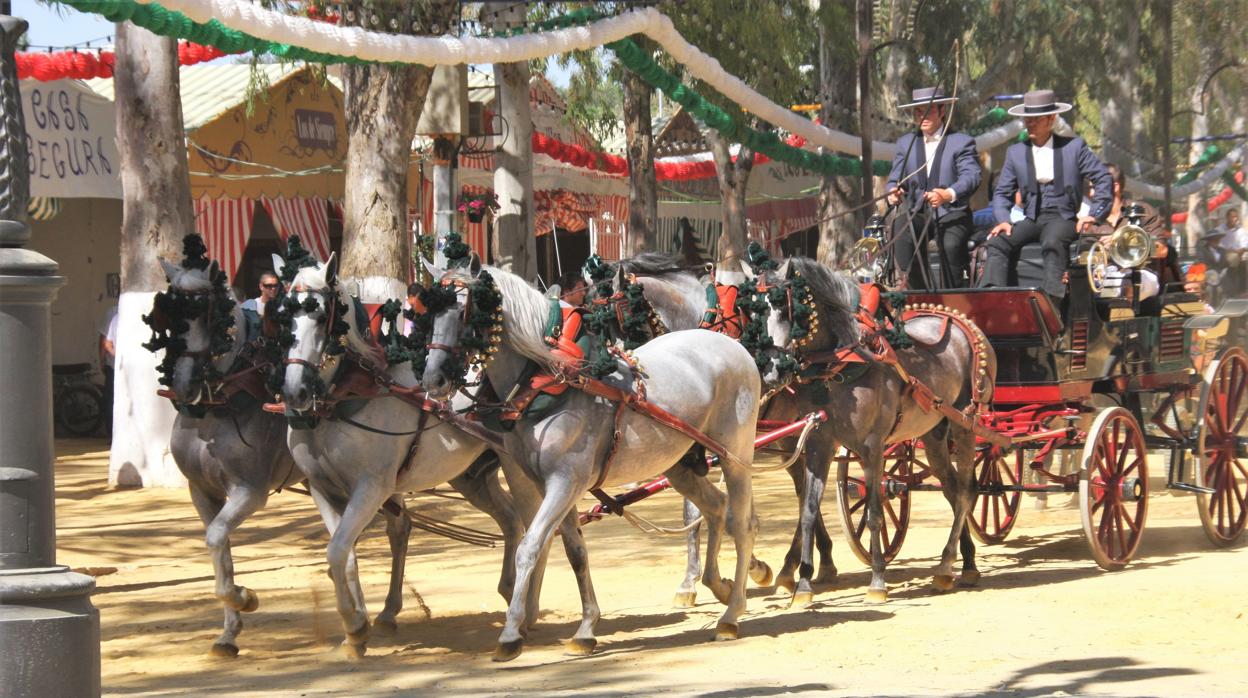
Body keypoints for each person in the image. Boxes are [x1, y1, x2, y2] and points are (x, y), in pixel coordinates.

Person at [983, 89, 1112, 305]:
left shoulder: (1074, 147)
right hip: (1031, 218)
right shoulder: (1015, 152)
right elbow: (1002, 192)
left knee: (1052, 241)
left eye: (1035, 118)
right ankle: (994, 297)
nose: (1029, 123)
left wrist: (1093, 215)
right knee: (997, 242)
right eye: (1027, 118)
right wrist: (1003, 220)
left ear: (1051, 119)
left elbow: (1103, 179)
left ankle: (1050, 304)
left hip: (1063, 218)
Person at [885, 86, 982, 289]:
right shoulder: (906, 143)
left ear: (942, 111)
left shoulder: (961, 142)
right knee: (901, 233)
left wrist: (948, 194)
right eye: (918, 111)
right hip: (917, 213)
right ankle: (921, 293)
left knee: (950, 245)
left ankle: (953, 297)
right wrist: (892, 192)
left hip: (952, 213)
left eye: (928, 111)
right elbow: (895, 178)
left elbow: (972, 176)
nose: (922, 116)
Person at [1087, 162, 1182, 288]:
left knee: (1127, 283)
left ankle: (1125, 305)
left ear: (1115, 187)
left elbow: (1162, 250)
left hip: (1142, 276)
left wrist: (1120, 242)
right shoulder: (1091, 221)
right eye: (1091, 188)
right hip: (1105, 278)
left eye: (1096, 187)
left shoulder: (1142, 211)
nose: (1091, 194)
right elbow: (1086, 256)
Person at [98, 305, 118, 434]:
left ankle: (112, 434)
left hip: (114, 365)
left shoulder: (113, 313)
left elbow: (104, 341)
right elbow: (105, 341)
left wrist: (101, 359)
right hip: (114, 365)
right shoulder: (113, 314)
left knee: (111, 400)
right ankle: (111, 433)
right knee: (110, 400)